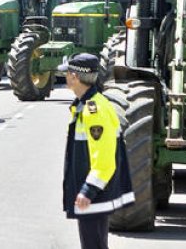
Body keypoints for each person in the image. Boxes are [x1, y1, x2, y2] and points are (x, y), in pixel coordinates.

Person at [60, 53, 134, 249]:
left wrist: (88, 190)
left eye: (67, 73)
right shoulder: (90, 104)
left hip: (94, 196)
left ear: (75, 77)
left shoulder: (94, 109)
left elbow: (104, 157)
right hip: (94, 195)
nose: (65, 77)